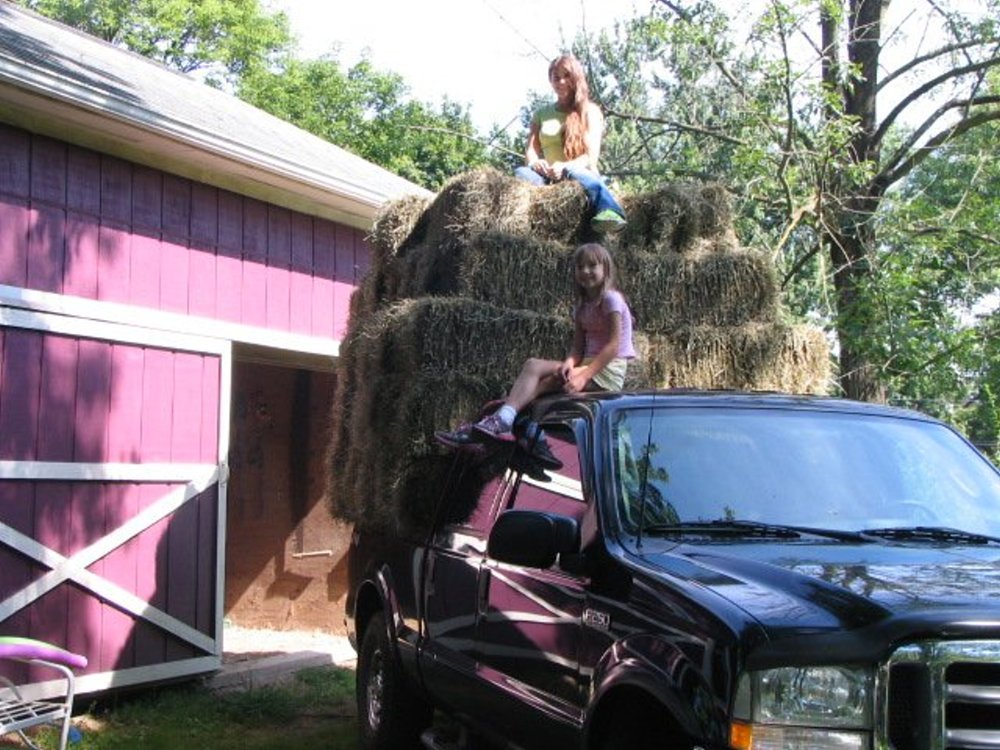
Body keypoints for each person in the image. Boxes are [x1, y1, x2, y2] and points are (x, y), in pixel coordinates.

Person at [436, 242, 635, 466]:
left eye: (592, 265)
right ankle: (507, 423)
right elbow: (577, 347)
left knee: (541, 387)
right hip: (588, 363)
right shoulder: (581, 307)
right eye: (580, 266)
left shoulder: (611, 299)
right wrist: (569, 363)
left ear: (605, 269)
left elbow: (613, 346)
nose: (586, 271)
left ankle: (501, 423)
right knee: (532, 365)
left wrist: (583, 377)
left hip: (609, 368)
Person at [515, 53, 627, 234]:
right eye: (556, 78)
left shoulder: (589, 111)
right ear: (550, 81)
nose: (560, 82)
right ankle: (545, 207)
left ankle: (610, 209)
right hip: (548, 177)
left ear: (576, 77)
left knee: (576, 172)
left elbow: (590, 158)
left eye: (566, 76)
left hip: (577, 171)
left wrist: (565, 167)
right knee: (521, 173)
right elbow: (531, 151)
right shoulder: (541, 114)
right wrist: (536, 163)